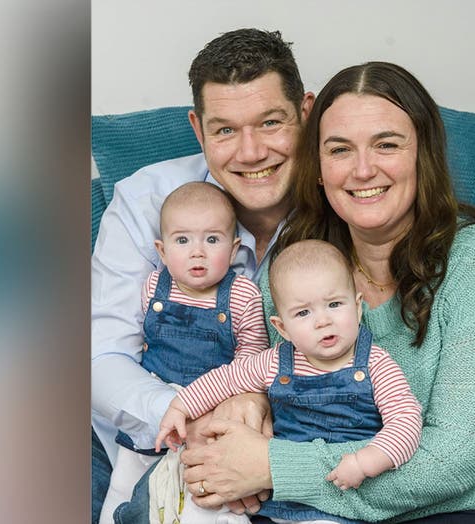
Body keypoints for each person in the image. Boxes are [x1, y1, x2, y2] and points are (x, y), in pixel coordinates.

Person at [172, 62, 475, 523]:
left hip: (469, 510)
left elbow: (454, 461)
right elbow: (270, 387)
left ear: (422, 155)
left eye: (386, 144)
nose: (363, 170)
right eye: (340, 150)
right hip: (320, 510)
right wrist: (247, 411)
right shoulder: (300, 266)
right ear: (320, 168)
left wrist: (270, 467)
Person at [91, 28, 314, 523]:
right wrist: (191, 415)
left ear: (306, 113)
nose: (251, 152)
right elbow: (102, 354)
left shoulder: (346, 195)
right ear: (198, 128)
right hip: (142, 439)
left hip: (275, 447)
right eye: (225, 130)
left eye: (270, 122)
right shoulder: (146, 200)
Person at [156, 240, 422, 524]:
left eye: (334, 304)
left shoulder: (376, 364)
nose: (323, 321)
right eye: (303, 313)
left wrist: (366, 461)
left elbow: (406, 422)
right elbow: (225, 379)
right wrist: (180, 407)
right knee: (201, 509)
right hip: (271, 495)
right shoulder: (275, 362)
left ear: (357, 308)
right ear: (282, 328)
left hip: (336, 503)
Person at [101, 181, 271, 523]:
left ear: (234, 247)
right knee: (125, 484)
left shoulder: (242, 296)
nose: (198, 252)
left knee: (205, 500)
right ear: (162, 252)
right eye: (183, 240)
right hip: (155, 414)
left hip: (212, 409)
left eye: (212, 239)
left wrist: (226, 411)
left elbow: (251, 360)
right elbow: (132, 346)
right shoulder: (154, 286)